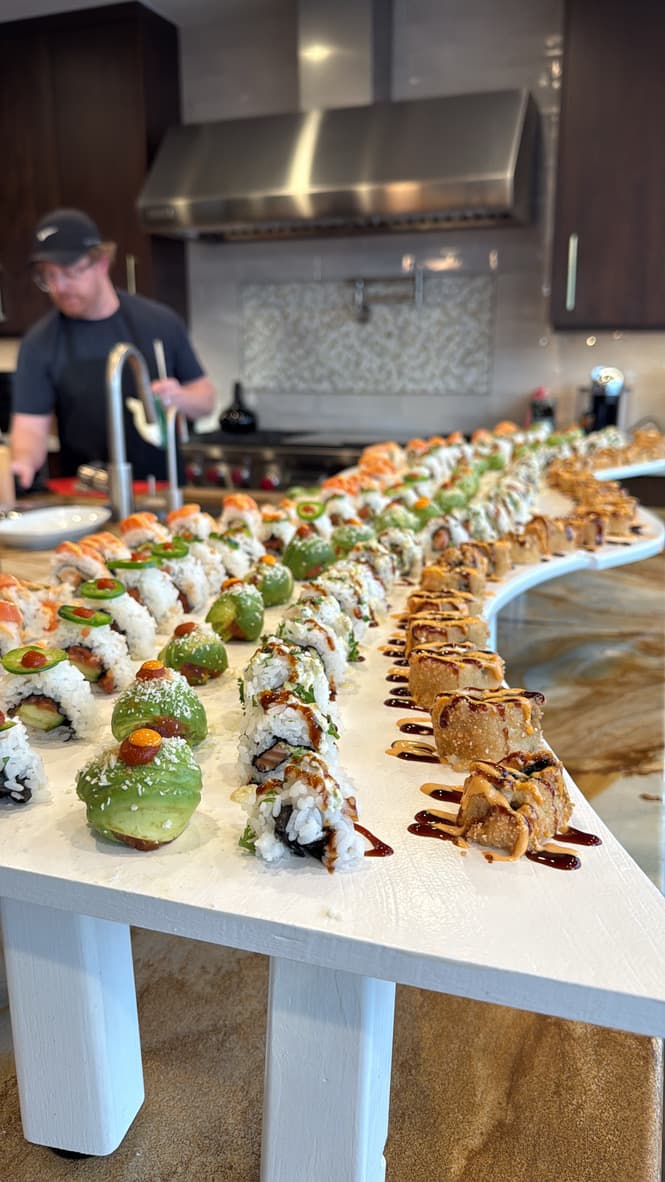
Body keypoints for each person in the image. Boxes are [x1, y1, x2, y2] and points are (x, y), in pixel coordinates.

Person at [10, 208, 216, 489]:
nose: (60, 287)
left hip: (162, 491)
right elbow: (30, 428)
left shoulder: (160, 322)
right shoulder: (39, 342)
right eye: (49, 276)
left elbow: (205, 401)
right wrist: (21, 463)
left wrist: (180, 397)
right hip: (87, 496)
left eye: (70, 272)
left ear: (102, 263)